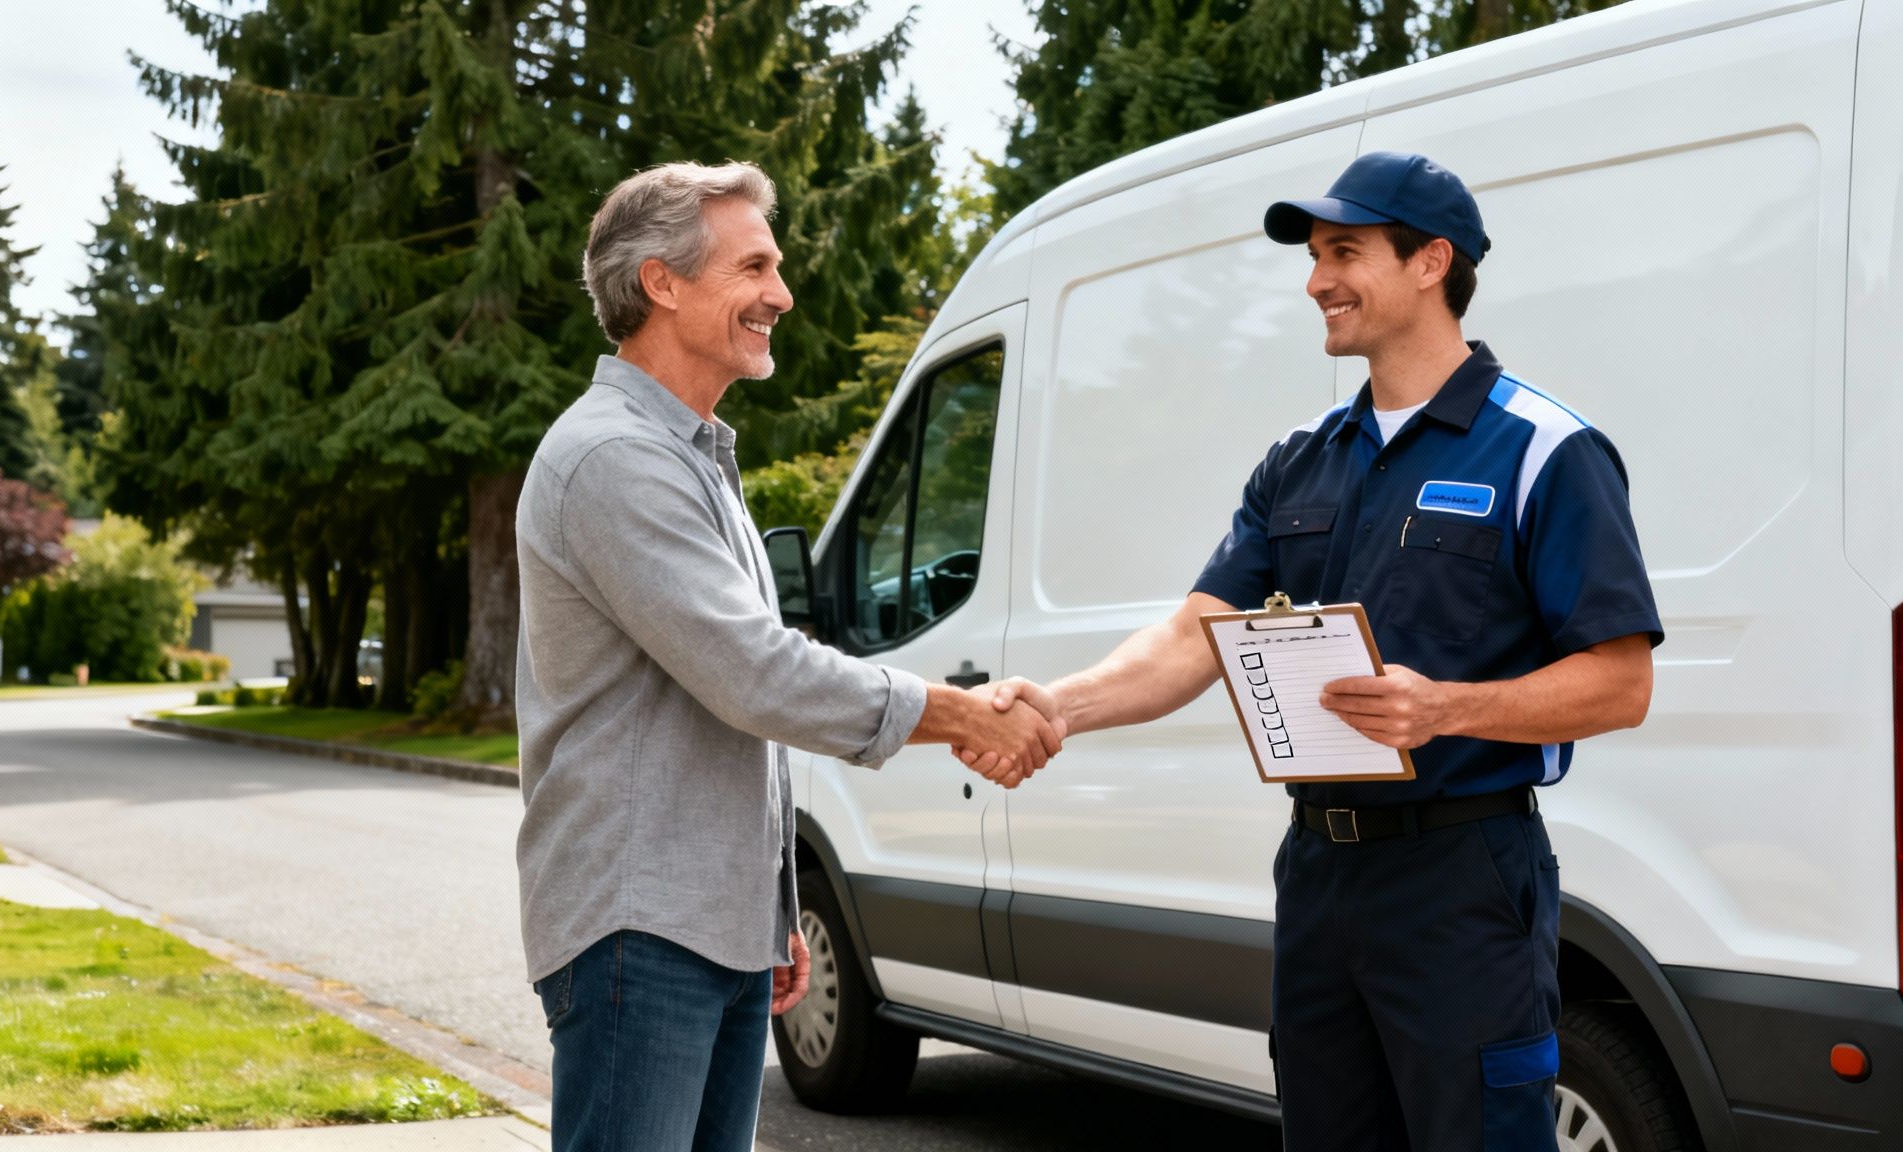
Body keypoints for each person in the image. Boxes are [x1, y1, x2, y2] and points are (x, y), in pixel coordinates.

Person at [963, 152, 1661, 1150]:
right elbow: (1188, 635)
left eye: (1343, 252)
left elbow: (1620, 681)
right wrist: (1055, 708)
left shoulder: (1542, 451)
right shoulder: (1302, 458)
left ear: (1430, 263)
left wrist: (1445, 709)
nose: (1315, 279)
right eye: (1313, 255)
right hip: (1319, 878)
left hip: (1460, 876)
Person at [515, 160, 1064, 1152]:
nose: (782, 293)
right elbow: (753, 674)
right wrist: (958, 715)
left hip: (701, 929)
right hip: (640, 933)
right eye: (754, 266)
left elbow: (728, 720)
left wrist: (765, 916)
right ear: (662, 283)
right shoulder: (614, 459)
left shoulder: (690, 456)